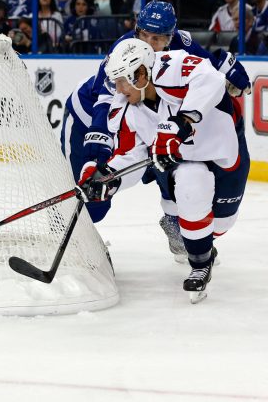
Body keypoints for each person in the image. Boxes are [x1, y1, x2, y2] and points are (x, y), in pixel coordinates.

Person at [60, 0, 251, 257]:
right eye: (144, 35)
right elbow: (104, 107)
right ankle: (71, 246)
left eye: (158, 38)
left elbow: (205, 64)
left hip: (129, 115)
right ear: (136, 30)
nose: (149, 44)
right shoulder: (125, 51)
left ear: (170, 37)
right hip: (89, 117)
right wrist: (96, 158)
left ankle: (174, 221)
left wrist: (227, 66)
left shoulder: (178, 43)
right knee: (94, 200)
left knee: (162, 156)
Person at [83, 38, 249, 302]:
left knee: (221, 224)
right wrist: (108, 178)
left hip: (223, 149)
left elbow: (212, 81)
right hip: (188, 162)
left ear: (140, 74)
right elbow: (129, 154)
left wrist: (181, 122)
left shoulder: (173, 66)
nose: (119, 89)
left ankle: (198, 235)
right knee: (191, 186)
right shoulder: (125, 107)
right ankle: (200, 264)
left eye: (122, 80)